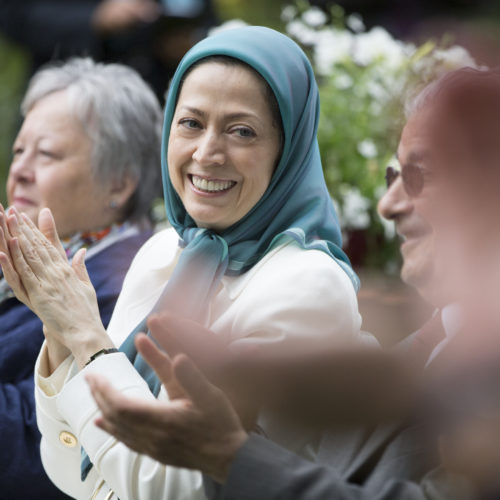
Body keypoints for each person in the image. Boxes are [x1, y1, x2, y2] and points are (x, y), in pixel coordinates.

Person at [86, 67, 500, 500]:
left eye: (422, 176)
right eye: (394, 176)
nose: (387, 205)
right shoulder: (435, 340)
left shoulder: (311, 280)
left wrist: (82, 338)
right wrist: (241, 391)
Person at [0, 27, 366, 499]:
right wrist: (60, 337)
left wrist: (84, 336)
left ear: (287, 150)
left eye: (241, 131)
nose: (206, 153)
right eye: (191, 123)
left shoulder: (310, 286)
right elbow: (74, 471)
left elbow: (184, 488)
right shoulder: (164, 252)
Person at [0, 57, 161, 498]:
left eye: (47, 153)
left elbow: (38, 445)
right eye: (18, 151)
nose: (21, 170)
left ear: (119, 184)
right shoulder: (19, 254)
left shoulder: (125, 289)